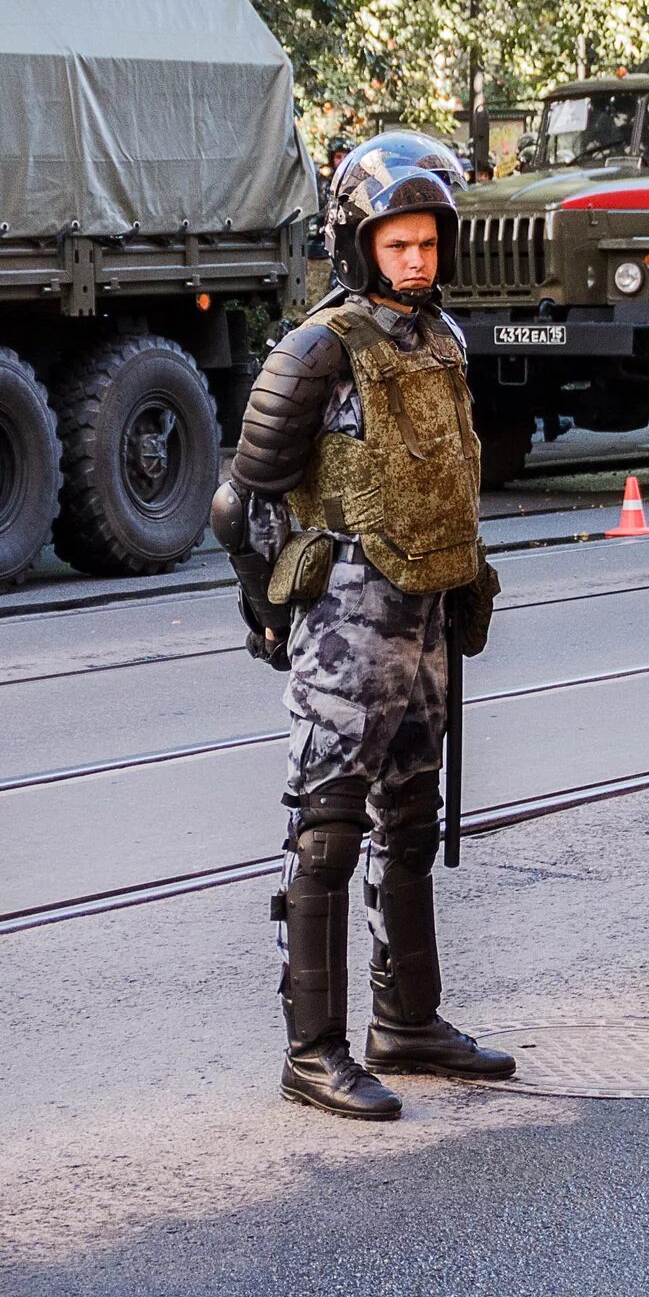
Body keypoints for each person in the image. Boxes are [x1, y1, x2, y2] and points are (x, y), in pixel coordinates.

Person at [211, 129, 511, 1121]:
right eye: (398, 243)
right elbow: (238, 501)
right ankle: (312, 1049)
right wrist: (270, 606)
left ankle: (408, 1018)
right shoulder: (316, 349)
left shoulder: (444, 340)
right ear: (359, 244)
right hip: (343, 617)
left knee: (413, 822)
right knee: (328, 832)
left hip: (424, 614)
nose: (416, 259)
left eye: (428, 242)